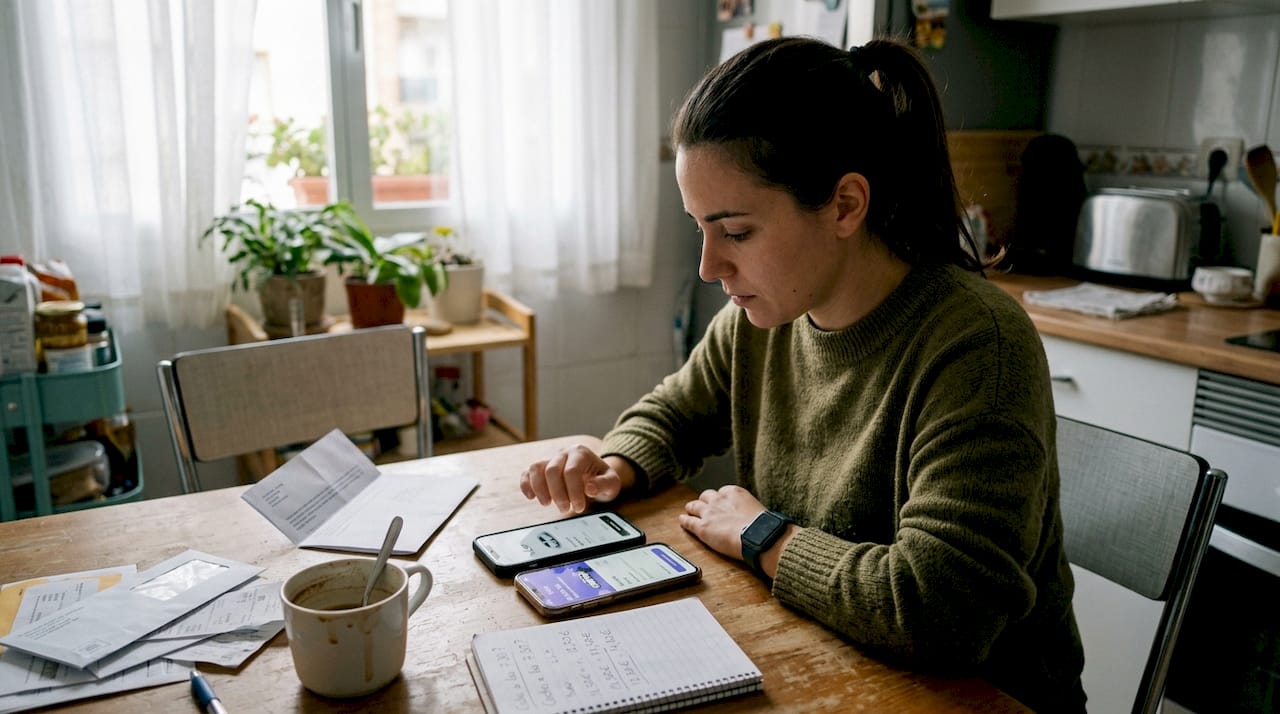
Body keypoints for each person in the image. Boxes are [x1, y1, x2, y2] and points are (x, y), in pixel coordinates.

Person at [518, 36, 1086, 713]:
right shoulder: (766, 318)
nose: (709, 267)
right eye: (701, 227)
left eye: (736, 231)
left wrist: (763, 536)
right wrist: (615, 462)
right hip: (832, 661)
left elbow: (940, 612)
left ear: (846, 206)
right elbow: (673, 412)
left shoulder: (976, 344)